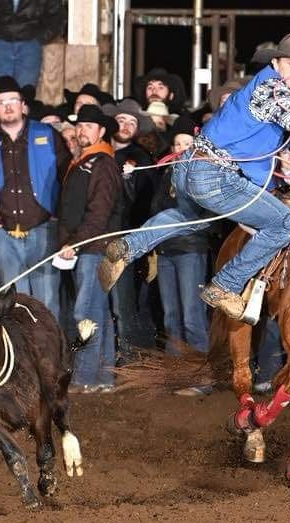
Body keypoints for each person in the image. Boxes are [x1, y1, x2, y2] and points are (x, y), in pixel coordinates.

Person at [98, 33, 290, 320]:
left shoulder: (266, 92)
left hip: (191, 168)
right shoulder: (275, 91)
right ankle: (226, 284)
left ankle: (126, 247)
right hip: (214, 175)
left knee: (188, 219)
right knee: (284, 223)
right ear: (276, 63)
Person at [0, 76, 71, 314]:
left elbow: (68, 177)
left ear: (23, 104)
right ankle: (22, 352)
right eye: (1, 102)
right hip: (4, 234)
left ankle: (48, 352)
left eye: (13, 100)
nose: (8, 106)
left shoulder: (48, 135)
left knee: (46, 302)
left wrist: (60, 215)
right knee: (14, 303)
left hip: (43, 228)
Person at [56, 105, 121, 393]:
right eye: (79, 126)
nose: (82, 131)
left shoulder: (102, 163)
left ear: (101, 131)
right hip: (89, 246)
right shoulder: (85, 161)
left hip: (93, 247)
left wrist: (75, 241)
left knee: (86, 311)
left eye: (89, 126)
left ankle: (85, 376)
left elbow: (100, 211)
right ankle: (102, 377)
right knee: (96, 310)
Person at [148, 115, 210, 356]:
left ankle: (200, 375)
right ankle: (175, 373)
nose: (182, 148)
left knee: (191, 314)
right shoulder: (167, 174)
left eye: (187, 143)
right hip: (166, 250)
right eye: (178, 144)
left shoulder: (203, 175)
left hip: (190, 249)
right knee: (171, 315)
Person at [104, 98, 158, 359]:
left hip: (127, 240)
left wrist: (129, 178)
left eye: (131, 122)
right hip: (95, 239)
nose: (125, 126)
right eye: (121, 120)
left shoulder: (142, 159)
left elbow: (145, 204)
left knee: (124, 304)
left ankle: (129, 360)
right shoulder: (100, 153)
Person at [0, 0, 65, 92]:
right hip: (0, 43)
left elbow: (57, 17)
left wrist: (41, 38)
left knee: (25, 92)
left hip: (30, 44)